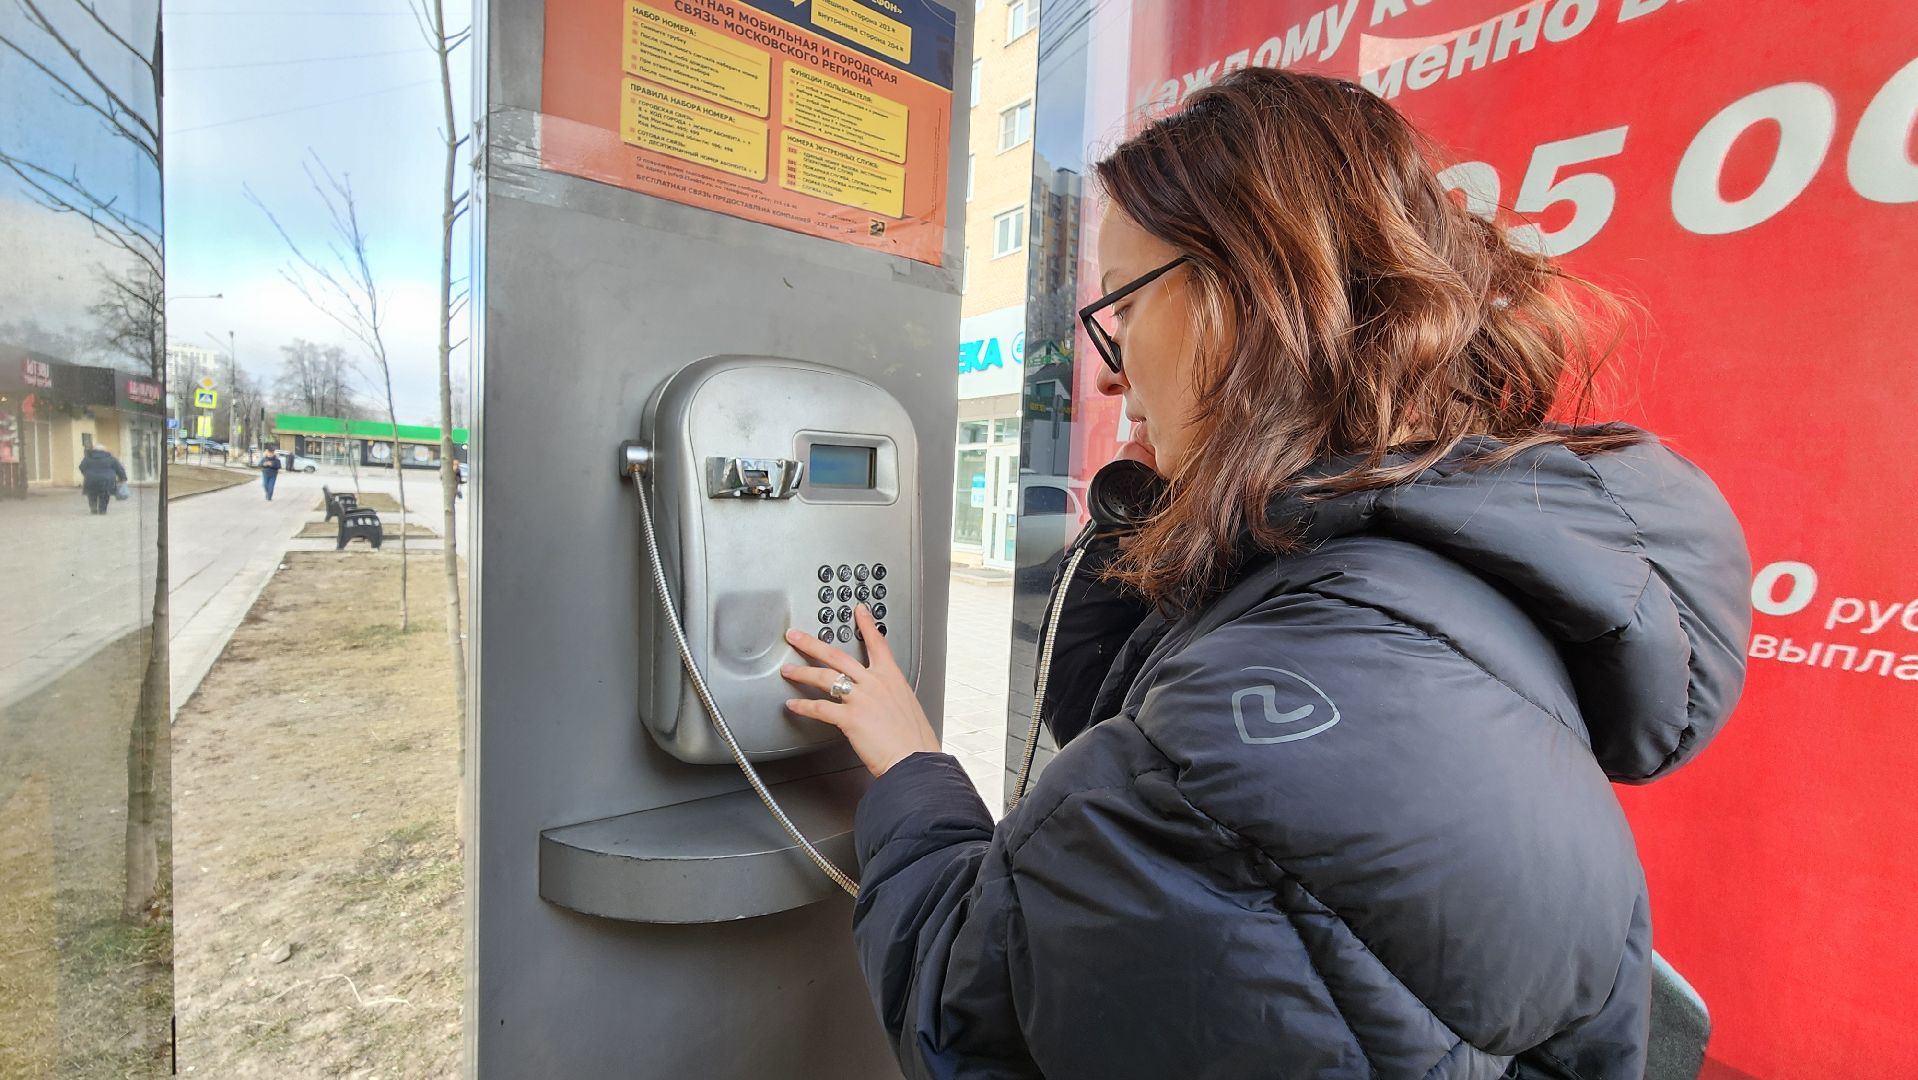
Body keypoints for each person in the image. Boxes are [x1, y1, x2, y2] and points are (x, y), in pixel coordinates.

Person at [777, 67, 1751, 1079]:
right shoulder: (1416, 576)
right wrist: (1179, 509)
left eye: (1124, 306)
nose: (1108, 370)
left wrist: (911, 770)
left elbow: (971, 1013)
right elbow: (1125, 742)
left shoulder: (1270, 716)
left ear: (1254, 299)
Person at [76, 444, 125, 515]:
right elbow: (119, 469)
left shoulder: (87, 458)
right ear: (104, 450)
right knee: (105, 495)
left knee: (92, 494)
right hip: (106, 480)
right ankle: (102, 510)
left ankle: (93, 509)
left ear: (94, 450)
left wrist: (87, 474)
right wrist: (123, 478)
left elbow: (81, 467)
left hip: (91, 479)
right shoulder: (111, 458)